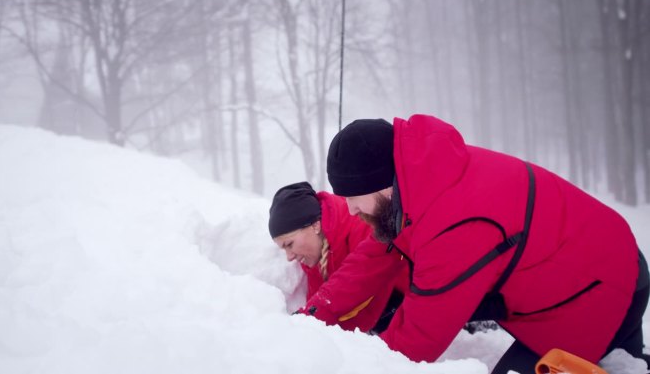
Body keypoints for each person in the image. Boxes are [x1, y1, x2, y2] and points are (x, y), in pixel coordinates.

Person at [299, 114, 650, 374]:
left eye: (354, 197)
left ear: (383, 184)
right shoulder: (419, 183)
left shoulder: (457, 222)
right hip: (586, 262)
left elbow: (415, 340)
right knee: (623, 361)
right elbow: (370, 261)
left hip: (600, 284)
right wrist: (310, 318)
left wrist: (362, 367)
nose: (350, 209)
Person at [269, 181, 408, 333]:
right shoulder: (314, 252)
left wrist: (309, 322)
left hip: (404, 305)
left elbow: (358, 285)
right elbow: (319, 299)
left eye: (289, 244)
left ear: (315, 226)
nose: (289, 257)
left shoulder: (359, 224)